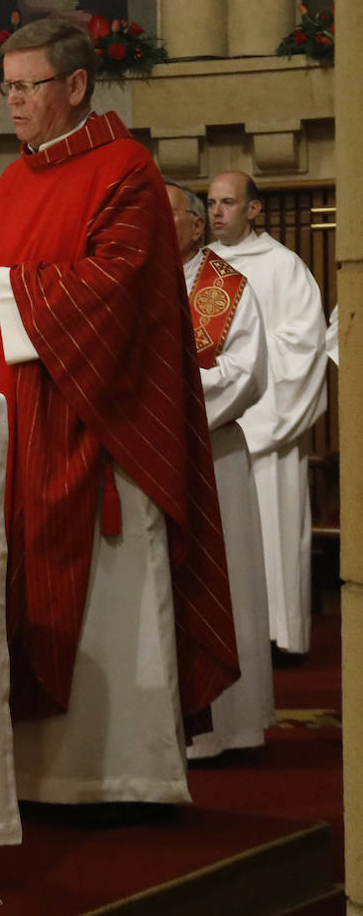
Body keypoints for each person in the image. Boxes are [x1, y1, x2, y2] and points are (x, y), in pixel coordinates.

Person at [0, 18, 238, 804]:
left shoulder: (125, 171)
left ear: (74, 87)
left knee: (110, 603)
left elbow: (119, 286)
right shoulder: (13, 180)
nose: (13, 103)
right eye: (5, 87)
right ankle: (33, 780)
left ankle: (123, 779)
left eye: (28, 86)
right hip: (23, 430)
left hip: (101, 429)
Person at [169, 180, 275, 758]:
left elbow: (245, 371)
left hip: (212, 454)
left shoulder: (226, 289)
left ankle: (229, 727)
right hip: (151, 457)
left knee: (220, 578)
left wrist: (169, 400)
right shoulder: (134, 282)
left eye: (165, 217)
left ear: (195, 224)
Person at [206, 170, 328, 656]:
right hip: (217, 425)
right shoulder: (200, 269)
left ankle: (279, 637)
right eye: (211, 202)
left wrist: (244, 377)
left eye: (228, 202)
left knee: (273, 534)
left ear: (254, 209)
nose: (217, 211)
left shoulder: (284, 266)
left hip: (266, 428)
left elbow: (304, 344)